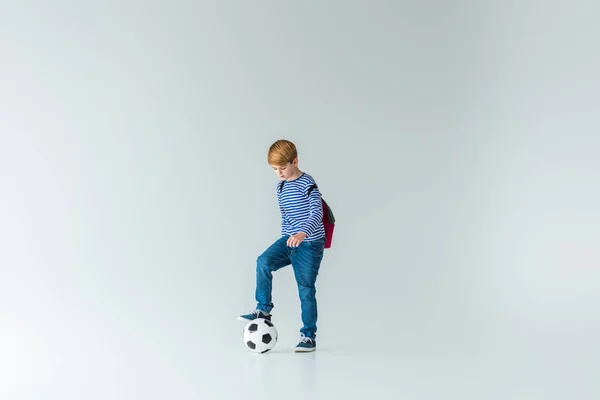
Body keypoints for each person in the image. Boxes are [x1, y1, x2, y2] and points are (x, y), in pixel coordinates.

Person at [238, 139, 326, 352]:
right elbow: (286, 216)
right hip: (289, 241)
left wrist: (302, 233)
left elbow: (317, 213)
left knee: (305, 289)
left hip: (310, 243)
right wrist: (287, 239)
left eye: (282, 167)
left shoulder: (308, 184)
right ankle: (263, 310)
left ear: (295, 161)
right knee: (263, 261)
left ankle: (308, 337)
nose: (279, 172)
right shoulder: (281, 186)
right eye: (274, 169)